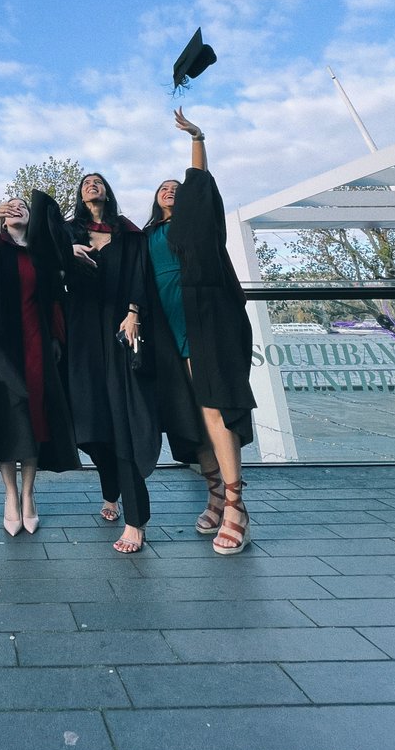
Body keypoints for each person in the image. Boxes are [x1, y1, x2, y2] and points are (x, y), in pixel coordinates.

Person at [0, 91, 79, 535]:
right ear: (2, 217)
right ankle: (9, 492)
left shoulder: (41, 254)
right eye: (11, 205)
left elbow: (62, 269)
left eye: (24, 205)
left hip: (38, 343)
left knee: (37, 414)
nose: (18, 206)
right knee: (7, 416)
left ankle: (29, 492)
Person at [145, 108, 255, 555]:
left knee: (214, 408)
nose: (170, 190)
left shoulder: (198, 225)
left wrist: (197, 138)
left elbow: (200, 181)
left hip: (205, 320)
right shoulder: (147, 234)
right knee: (190, 417)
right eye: (163, 189)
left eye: (176, 188)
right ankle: (213, 491)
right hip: (166, 331)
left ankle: (235, 505)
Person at [65, 174, 161, 553]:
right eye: (86, 182)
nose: (92, 185)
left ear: (107, 191)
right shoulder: (67, 231)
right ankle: (110, 487)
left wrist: (134, 311)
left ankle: (135, 520)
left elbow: (141, 275)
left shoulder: (127, 232)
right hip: (80, 334)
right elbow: (34, 251)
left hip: (121, 330)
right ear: (79, 193)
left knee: (122, 422)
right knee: (88, 425)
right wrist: (64, 251)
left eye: (98, 181)